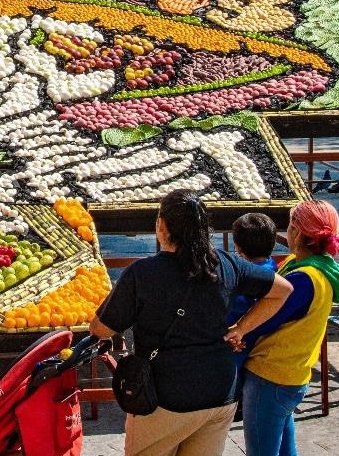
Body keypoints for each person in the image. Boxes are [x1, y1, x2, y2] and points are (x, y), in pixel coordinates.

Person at [90, 190, 292, 456]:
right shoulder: (228, 264)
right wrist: (241, 328)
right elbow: (282, 289)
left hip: (165, 400)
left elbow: (101, 329)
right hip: (220, 396)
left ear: (162, 226)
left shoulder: (142, 274)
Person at [227, 200, 339, 456]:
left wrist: (238, 330)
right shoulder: (321, 269)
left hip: (271, 375)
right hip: (291, 374)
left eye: (291, 226)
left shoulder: (305, 278)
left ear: (299, 233)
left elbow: (266, 318)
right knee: (284, 448)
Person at [226, 212, 280, 421]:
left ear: (238, 246)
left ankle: (234, 401)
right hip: (259, 338)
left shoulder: (241, 275)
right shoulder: (272, 267)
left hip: (239, 340)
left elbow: (234, 310)